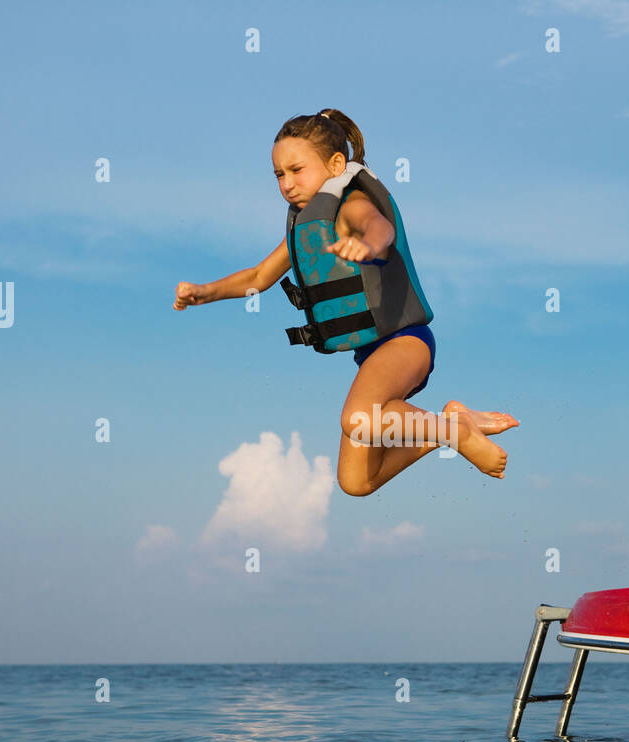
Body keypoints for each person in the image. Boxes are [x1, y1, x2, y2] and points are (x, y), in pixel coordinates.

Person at [174, 109, 517, 496]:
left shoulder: (351, 206)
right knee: (356, 481)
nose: (287, 184)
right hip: (372, 357)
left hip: (407, 342)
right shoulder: (309, 228)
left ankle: (456, 433)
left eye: (296, 169)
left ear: (336, 164)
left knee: (358, 418)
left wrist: (368, 244)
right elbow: (257, 277)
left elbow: (380, 227)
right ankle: (449, 424)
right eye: (279, 175)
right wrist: (205, 293)